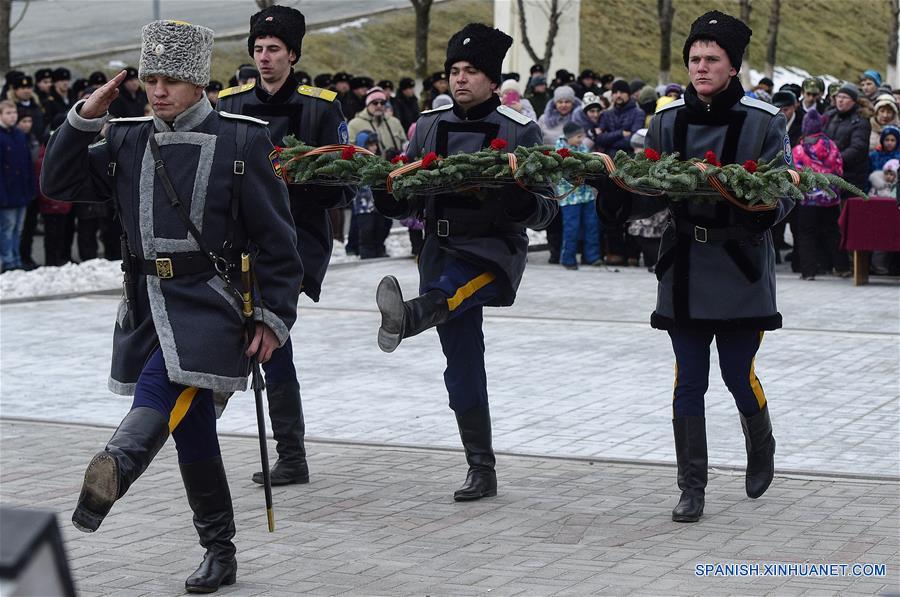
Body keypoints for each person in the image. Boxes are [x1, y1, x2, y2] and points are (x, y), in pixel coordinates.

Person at [40, 20, 302, 593]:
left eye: (173, 80)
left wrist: (273, 316)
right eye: (151, 79)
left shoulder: (243, 140)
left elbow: (279, 243)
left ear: (199, 83)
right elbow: (59, 183)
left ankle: (119, 461)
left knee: (168, 386)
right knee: (194, 431)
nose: (158, 91)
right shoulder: (128, 138)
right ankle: (220, 549)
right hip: (144, 305)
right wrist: (86, 115)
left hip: (212, 303)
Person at [595, 10, 792, 523]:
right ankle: (692, 485)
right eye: (694, 59)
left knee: (736, 372)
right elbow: (647, 191)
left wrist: (763, 206)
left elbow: (784, 193)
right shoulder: (665, 121)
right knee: (688, 381)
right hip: (682, 265)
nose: (700, 67)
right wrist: (612, 192)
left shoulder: (764, 121)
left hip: (741, 265)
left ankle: (761, 440)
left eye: (712, 59)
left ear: (733, 67)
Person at [373, 23, 557, 501]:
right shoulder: (430, 126)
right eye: (454, 70)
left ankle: (409, 316)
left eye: (472, 71)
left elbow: (547, 206)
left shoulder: (519, 131)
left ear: (494, 82)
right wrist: (389, 197)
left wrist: (521, 204)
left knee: (451, 291)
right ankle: (481, 467)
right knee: (462, 365)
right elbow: (411, 193)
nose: (460, 79)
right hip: (439, 249)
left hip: (492, 252)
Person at [216, 4, 354, 487]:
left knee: (272, 335)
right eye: (258, 49)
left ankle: (291, 454)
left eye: (274, 49)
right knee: (251, 338)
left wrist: (288, 182)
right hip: (241, 240)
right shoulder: (231, 101)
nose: (265, 58)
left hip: (295, 241)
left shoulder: (321, 104)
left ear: (293, 55)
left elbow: (341, 182)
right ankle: (289, 454)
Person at [791, 109, 844, 281]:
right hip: (830, 198)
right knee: (833, 232)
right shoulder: (832, 146)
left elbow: (795, 175)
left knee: (806, 234)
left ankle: (808, 271)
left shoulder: (798, 150)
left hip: (808, 201)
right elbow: (839, 170)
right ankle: (842, 267)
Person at [556, 121, 600, 269]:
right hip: (570, 196)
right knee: (571, 228)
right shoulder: (560, 150)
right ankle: (568, 258)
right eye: (578, 137)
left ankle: (592, 257)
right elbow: (560, 173)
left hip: (586, 194)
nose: (581, 140)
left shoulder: (582, 148)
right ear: (569, 137)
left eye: (582, 136)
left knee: (592, 225)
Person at [0, 100, 36, 272]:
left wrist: (30, 188)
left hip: (21, 190)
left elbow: (27, 164)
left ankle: (16, 258)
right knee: (7, 228)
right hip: (7, 191)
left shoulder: (19, 134)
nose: (12, 116)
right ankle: (8, 261)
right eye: (7, 113)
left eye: (13, 113)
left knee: (18, 229)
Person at [348, 86, 407, 154]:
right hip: (370, 164)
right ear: (367, 104)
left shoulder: (394, 122)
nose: (379, 106)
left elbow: (404, 143)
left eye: (382, 103)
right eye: (375, 103)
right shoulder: (354, 124)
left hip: (397, 163)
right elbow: (350, 151)